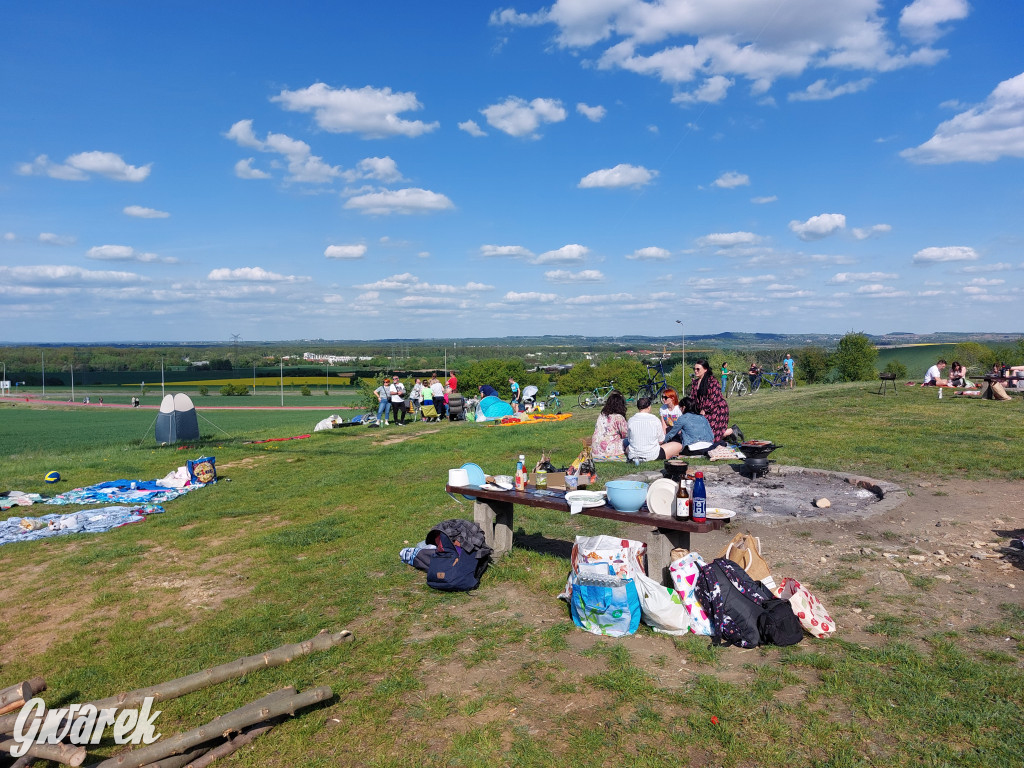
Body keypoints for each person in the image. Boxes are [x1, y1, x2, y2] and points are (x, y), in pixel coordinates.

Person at [688, 358, 741, 443]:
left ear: (705, 369)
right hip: (702, 411)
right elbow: (693, 399)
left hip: (717, 409)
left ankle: (732, 430)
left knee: (711, 438)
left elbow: (714, 398)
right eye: (694, 369)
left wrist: (704, 410)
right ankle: (728, 434)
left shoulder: (712, 381)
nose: (695, 371)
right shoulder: (695, 383)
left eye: (698, 369)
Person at [627, 396, 681, 463]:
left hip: (633, 455)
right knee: (678, 446)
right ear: (649, 407)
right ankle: (668, 455)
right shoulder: (655, 419)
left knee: (627, 446)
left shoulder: (631, 420)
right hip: (652, 455)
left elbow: (630, 439)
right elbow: (661, 440)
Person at [591, 391, 629, 460]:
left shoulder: (602, 415)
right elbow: (626, 434)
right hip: (608, 448)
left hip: (596, 447)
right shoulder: (618, 417)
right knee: (630, 441)